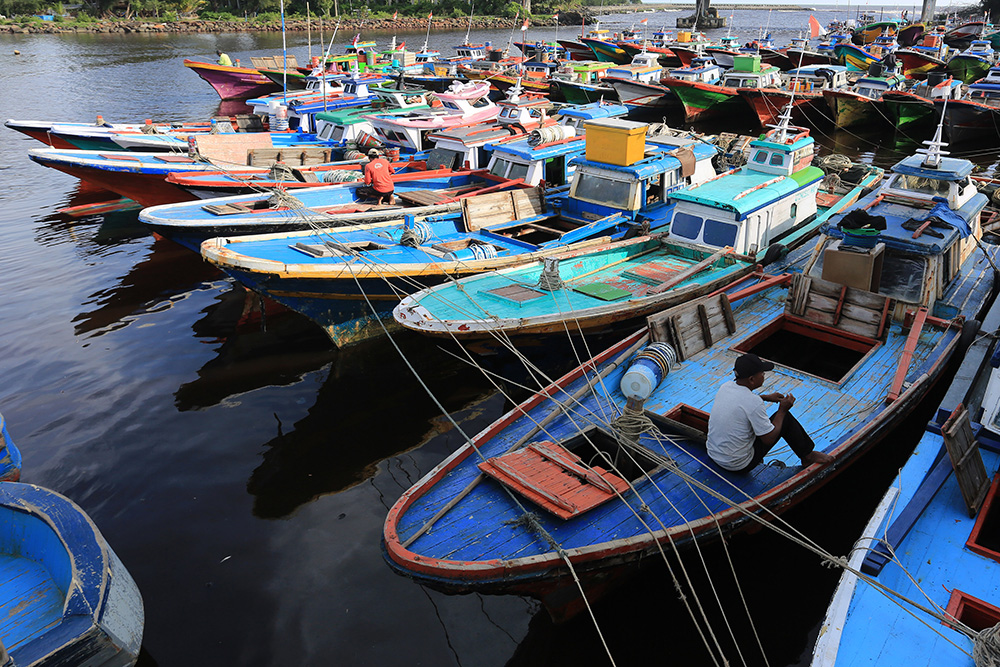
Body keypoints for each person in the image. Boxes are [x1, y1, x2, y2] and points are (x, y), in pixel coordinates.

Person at [706, 353, 834, 474]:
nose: (763, 375)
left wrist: (766, 397)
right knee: (786, 419)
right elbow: (769, 439)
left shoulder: (726, 387)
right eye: (762, 373)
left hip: (714, 454)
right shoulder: (753, 402)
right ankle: (808, 456)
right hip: (738, 465)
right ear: (751, 379)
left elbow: (741, 401)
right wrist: (782, 411)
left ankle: (807, 454)